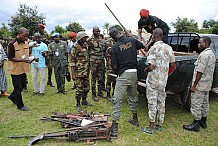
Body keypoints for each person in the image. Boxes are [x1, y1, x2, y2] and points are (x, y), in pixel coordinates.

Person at [109, 28, 145, 138]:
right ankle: (135, 119)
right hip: (134, 73)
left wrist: (118, 69)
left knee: (117, 100)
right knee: (133, 96)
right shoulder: (132, 41)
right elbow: (142, 46)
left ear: (112, 38)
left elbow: (114, 66)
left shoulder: (114, 48)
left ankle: (114, 127)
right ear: (120, 33)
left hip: (124, 74)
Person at [141, 28, 175, 134]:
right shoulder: (168, 48)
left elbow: (151, 66)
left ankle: (151, 126)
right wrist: (164, 73)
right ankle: (160, 124)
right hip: (163, 81)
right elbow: (173, 65)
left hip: (153, 80)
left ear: (154, 36)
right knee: (161, 101)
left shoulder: (153, 48)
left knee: (152, 102)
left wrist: (145, 70)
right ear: (162, 36)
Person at [183, 36, 216, 132]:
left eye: (200, 42)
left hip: (200, 85)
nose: (198, 44)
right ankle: (203, 121)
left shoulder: (204, 55)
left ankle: (196, 124)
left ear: (206, 43)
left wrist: (194, 86)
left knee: (196, 103)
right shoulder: (211, 54)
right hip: (207, 85)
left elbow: (200, 71)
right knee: (205, 103)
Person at [7, 27, 32, 111]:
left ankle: (12, 96)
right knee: (18, 88)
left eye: (27, 36)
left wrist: (31, 59)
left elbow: (26, 54)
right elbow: (10, 58)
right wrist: (24, 60)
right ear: (19, 34)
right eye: (25, 36)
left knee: (23, 85)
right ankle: (20, 106)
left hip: (23, 68)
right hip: (15, 69)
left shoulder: (25, 42)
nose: (26, 38)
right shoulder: (12, 44)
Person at [71, 31, 92, 112]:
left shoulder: (86, 45)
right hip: (79, 72)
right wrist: (73, 74)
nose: (86, 38)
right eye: (84, 37)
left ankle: (84, 100)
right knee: (79, 89)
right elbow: (72, 61)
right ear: (80, 38)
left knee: (87, 88)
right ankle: (78, 104)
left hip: (86, 71)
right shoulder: (75, 47)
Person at [88, 26, 106, 102]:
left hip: (101, 61)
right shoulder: (89, 40)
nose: (98, 32)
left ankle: (100, 92)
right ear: (93, 31)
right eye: (96, 31)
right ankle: (93, 94)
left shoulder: (101, 39)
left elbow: (103, 50)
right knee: (94, 78)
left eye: (99, 31)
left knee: (101, 77)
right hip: (94, 62)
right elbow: (87, 51)